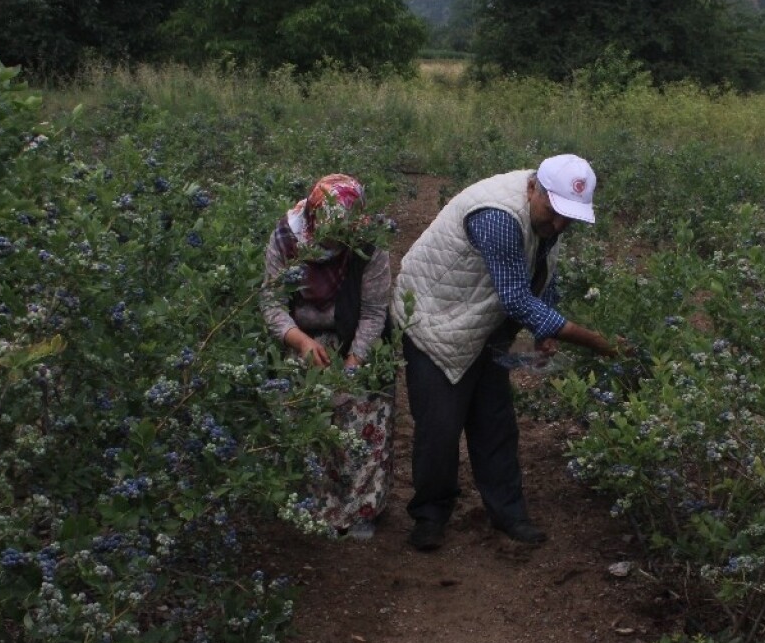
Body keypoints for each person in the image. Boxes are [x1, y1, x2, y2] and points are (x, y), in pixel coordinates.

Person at [391, 154, 620, 551]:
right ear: (534, 188)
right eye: (554, 212)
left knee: (495, 422)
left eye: (570, 217)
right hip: (434, 316)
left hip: (482, 318)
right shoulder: (496, 216)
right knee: (439, 428)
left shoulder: (548, 214)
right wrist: (593, 341)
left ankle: (510, 514)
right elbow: (515, 298)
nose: (560, 224)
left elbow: (544, 264)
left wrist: (543, 322)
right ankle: (430, 515)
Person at [262, 174, 394, 540]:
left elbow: (372, 312)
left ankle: (361, 509)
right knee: (305, 418)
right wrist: (301, 342)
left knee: (363, 418)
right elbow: (271, 302)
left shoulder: (370, 244)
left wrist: (354, 362)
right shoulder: (287, 238)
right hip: (301, 335)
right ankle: (315, 509)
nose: (335, 243)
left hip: (355, 335)